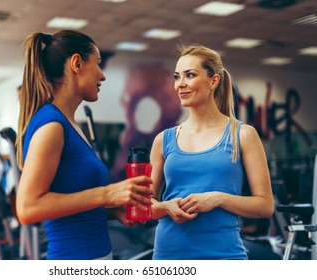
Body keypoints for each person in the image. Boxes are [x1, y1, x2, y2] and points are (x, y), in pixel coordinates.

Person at [15, 30, 153, 260]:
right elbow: (28, 208)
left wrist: (111, 210)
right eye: (98, 64)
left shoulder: (70, 125)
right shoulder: (52, 126)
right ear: (77, 63)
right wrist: (107, 194)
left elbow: (70, 203)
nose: (102, 75)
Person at [149, 44, 274, 260]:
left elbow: (265, 206)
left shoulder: (243, 135)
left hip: (223, 256)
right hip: (169, 256)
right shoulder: (163, 140)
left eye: (190, 75)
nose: (180, 84)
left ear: (214, 81)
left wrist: (217, 199)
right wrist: (166, 207)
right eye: (177, 77)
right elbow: (145, 206)